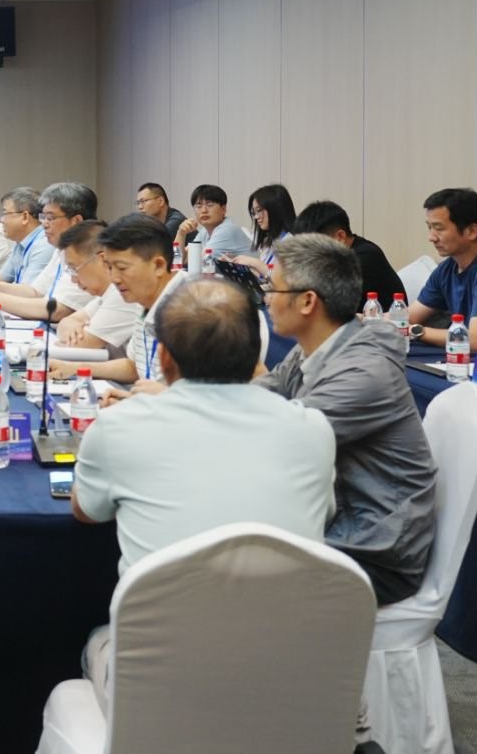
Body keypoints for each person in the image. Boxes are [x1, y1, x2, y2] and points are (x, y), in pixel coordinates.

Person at [70, 277, 337, 710]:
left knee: (96, 644)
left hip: (162, 687)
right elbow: (322, 515)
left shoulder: (119, 426)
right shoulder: (312, 429)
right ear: (256, 357)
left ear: (164, 358)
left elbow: (85, 510)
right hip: (291, 678)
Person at [258, 235, 436, 605]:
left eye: (272, 288)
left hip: (374, 553)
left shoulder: (364, 371)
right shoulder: (316, 347)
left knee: (217, 575)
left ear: (308, 301)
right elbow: (262, 394)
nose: (266, 298)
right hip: (336, 523)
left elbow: (281, 440)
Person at [51, 215, 188, 387]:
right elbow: (134, 366)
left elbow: (204, 392)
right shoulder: (143, 297)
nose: (114, 278)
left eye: (122, 268)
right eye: (109, 267)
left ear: (158, 265)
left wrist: (160, 396)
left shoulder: (192, 307)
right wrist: (74, 368)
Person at [0, 182, 95, 321]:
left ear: (76, 221)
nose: (44, 224)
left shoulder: (89, 254)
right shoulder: (61, 250)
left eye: (51, 218)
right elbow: (36, 292)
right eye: (43, 217)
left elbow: (59, 310)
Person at [292, 200, 402, 311]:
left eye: (314, 246)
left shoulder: (364, 258)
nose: (308, 255)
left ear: (340, 237)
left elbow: (327, 305)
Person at [406, 187, 477, 347]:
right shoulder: (446, 269)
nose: (431, 237)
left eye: (439, 228)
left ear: (471, 231)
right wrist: (365, 319)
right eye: (429, 227)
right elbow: (407, 318)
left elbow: (476, 340)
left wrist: (418, 331)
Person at [53, 220, 139, 353]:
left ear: (102, 259)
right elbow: (65, 322)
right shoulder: (105, 294)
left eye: (74, 269)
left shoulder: (122, 292)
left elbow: (81, 343)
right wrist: (72, 324)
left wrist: (77, 329)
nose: (73, 280)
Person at [173, 184, 250, 268]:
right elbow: (179, 261)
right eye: (199, 205)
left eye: (209, 205)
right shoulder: (205, 231)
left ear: (223, 209)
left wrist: (184, 259)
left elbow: (194, 263)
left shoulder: (226, 230)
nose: (204, 210)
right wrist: (181, 233)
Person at [0, 186, 54, 286]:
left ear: (25, 217)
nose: (2, 220)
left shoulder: (44, 244)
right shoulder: (20, 243)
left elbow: (27, 290)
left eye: (5, 214)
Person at [239, 183, 296, 270]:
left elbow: (280, 277)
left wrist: (256, 263)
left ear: (275, 209)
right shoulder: (269, 242)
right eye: (254, 212)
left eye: (259, 210)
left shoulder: (291, 243)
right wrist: (237, 266)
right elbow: (262, 275)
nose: (256, 217)